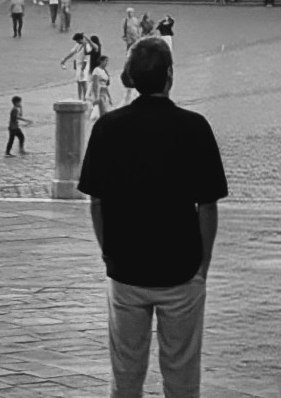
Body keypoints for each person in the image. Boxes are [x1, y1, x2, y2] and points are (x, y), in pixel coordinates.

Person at [77, 37, 228, 398]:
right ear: (170, 75)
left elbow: (96, 201)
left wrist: (108, 252)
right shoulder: (195, 127)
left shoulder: (107, 128)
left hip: (126, 268)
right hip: (181, 269)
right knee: (182, 376)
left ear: (130, 76)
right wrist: (203, 266)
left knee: (125, 375)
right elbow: (207, 205)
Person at [60, 33, 96, 101]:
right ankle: (79, 98)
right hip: (78, 65)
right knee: (79, 82)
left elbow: (86, 59)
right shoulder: (78, 44)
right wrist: (65, 59)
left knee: (83, 82)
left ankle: (85, 99)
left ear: (81, 39)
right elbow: (72, 52)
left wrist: (82, 69)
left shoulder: (87, 46)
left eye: (77, 40)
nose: (77, 42)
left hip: (84, 66)